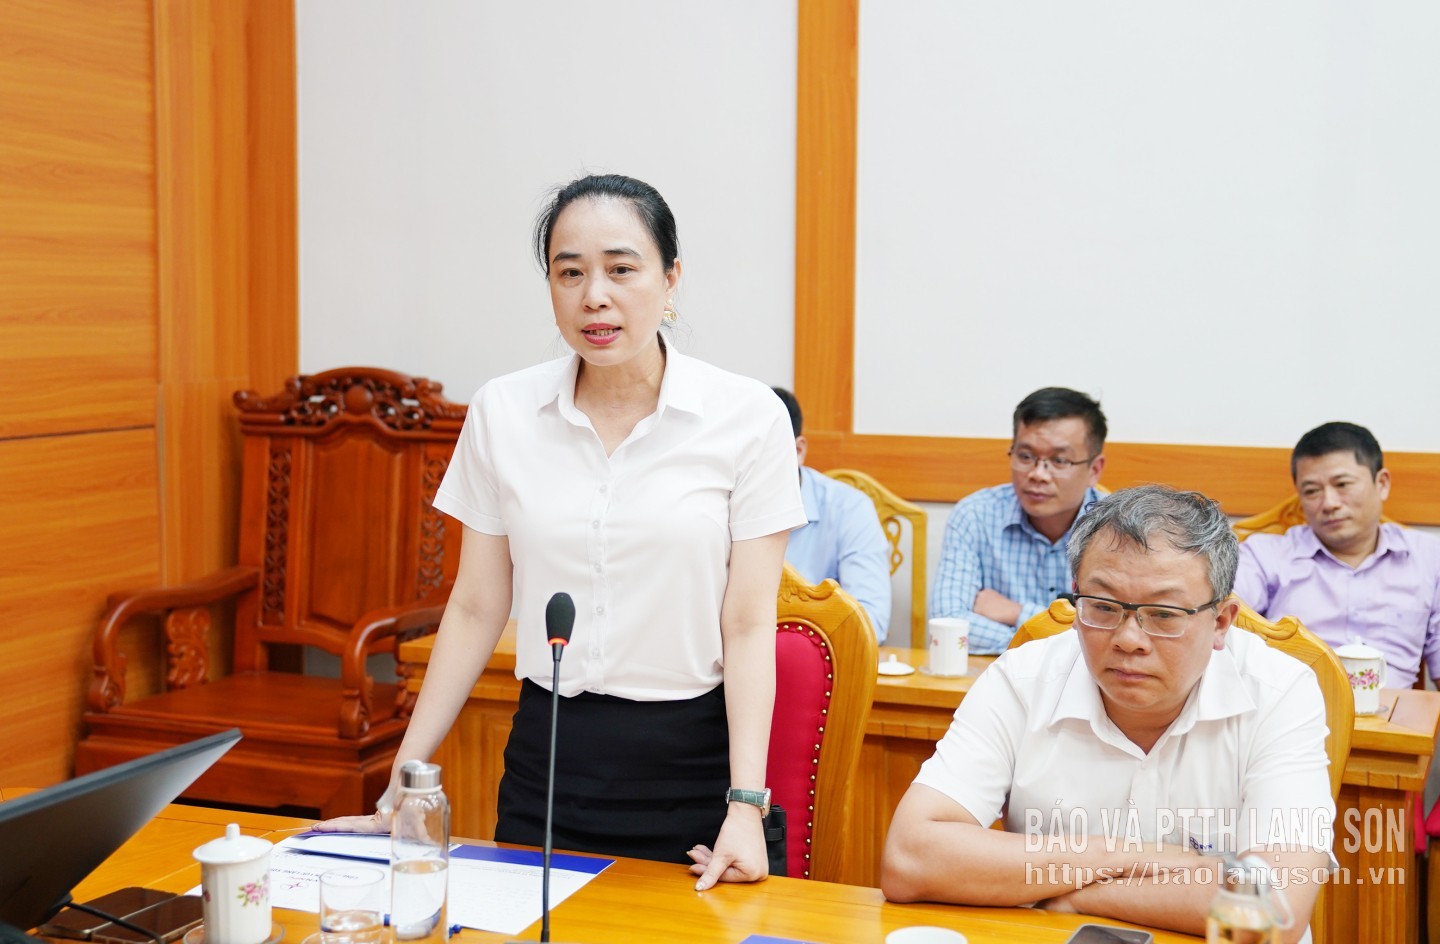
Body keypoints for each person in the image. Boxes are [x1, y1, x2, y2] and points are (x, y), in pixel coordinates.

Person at [315, 174, 805, 892]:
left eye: (621, 269)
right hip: (548, 762)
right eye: (569, 273)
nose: (594, 296)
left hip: (695, 767)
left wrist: (745, 805)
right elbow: (476, 606)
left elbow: (749, 622)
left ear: (671, 279)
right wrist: (402, 785)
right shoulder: (503, 411)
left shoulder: (748, 417)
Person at [882, 485, 1332, 943]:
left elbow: (1272, 908)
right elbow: (910, 857)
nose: (1129, 639)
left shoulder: (1279, 692)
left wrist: (1076, 895)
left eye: (1163, 614)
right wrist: (1128, 856)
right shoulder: (1023, 679)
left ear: (1221, 622)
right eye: (1102, 607)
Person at [1234, 422, 1440, 689]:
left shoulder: (1429, 558)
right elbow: (1219, 621)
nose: (1329, 503)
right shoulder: (1264, 556)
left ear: (1382, 484)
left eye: (1342, 484)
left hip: (1394, 713)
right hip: (1290, 708)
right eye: (1312, 491)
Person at [930, 387, 1107, 654]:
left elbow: (1113, 632)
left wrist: (1017, 613)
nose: (1038, 474)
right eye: (1025, 456)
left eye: (1059, 460)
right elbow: (949, 623)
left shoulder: (1117, 529)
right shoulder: (974, 515)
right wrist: (1056, 640)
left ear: (1094, 470)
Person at [771, 387, 892, 642]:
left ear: (798, 451)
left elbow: (870, 622)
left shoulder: (849, 508)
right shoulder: (723, 504)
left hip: (817, 658)